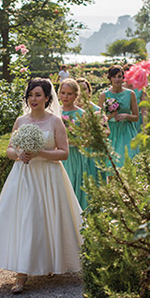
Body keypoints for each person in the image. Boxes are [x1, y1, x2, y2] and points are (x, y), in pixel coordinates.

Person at [0, 78, 83, 294]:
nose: (33, 99)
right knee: (26, 218)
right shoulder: (20, 121)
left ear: (47, 98)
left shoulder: (55, 122)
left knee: (48, 218)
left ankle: (50, 263)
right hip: (24, 176)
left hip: (49, 176)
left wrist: (40, 153)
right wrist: (18, 153)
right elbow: (9, 149)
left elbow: (64, 152)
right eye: (30, 95)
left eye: (38, 95)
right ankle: (21, 273)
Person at [97, 65, 139, 168]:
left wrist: (126, 115)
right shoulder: (104, 95)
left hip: (126, 132)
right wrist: (110, 116)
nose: (117, 79)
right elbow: (98, 119)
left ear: (123, 78)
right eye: (114, 76)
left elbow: (136, 117)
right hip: (111, 132)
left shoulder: (130, 94)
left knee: (128, 163)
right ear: (110, 78)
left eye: (119, 76)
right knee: (111, 164)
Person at [59, 78, 90, 210]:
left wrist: (72, 141)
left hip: (75, 157)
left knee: (74, 188)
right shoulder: (54, 113)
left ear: (76, 96)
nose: (65, 97)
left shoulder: (81, 114)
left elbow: (87, 140)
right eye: (63, 93)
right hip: (58, 157)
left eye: (69, 93)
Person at [122, 63, 146, 132]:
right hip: (124, 122)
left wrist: (145, 125)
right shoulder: (119, 88)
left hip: (137, 122)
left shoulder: (140, 89)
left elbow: (144, 109)